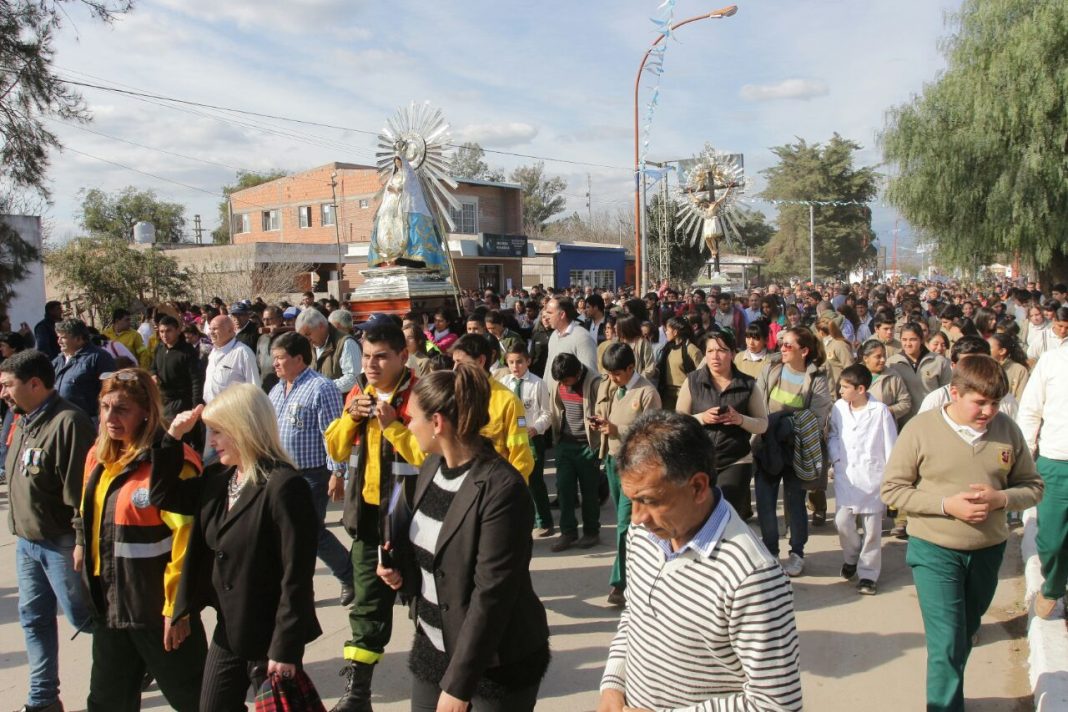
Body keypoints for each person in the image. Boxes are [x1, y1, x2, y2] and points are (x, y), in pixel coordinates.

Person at [598, 410, 802, 712]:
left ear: (697, 487)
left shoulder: (752, 577)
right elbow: (635, 614)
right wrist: (613, 687)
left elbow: (776, 704)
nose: (637, 518)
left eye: (650, 501)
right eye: (633, 501)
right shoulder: (643, 535)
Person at [376, 365, 550, 712]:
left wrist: (459, 685)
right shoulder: (430, 469)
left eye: (413, 418)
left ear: (437, 423)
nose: (408, 426)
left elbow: (493, 594)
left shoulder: (502, 489)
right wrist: (401, 572)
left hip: (493, 663)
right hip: (434, 649)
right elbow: (434, 555)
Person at [881, 355, 1043, 712]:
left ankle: (949, 690)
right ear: (954, 393)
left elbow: (1032, 486)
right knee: (947, 641)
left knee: (966, 630)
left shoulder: (1007, 431)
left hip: (987, 552)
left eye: (995, 403)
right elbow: (892, 490)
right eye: (980, 402)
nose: (988, 411)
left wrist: (1001, 498)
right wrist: (945, 505)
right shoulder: (921, 430)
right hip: (934, 550)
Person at [155, 384, 322, 710]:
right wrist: (172, 438)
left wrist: (285, 649)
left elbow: (297, 576)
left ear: (243, 429)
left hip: (269, 636)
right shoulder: (219, 478)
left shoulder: (284, 486)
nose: (211, 441)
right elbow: (164, 495)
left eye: (218, 432)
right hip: (229, 629)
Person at [76, 369, 207, 711]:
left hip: (157, 614)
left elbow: (188, 542)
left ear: (146, 411)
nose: (109, 417)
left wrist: (177, 610)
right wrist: (80, 544)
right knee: (106, 701)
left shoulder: (172, 463)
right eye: (104, 407)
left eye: (121, 409)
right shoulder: (100, 456)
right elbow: (86, 512)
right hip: (111, 609)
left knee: (197, 701)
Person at [323, 323, 422, 711]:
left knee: (425, 603)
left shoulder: (421, 393)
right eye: (366, 356)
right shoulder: (359, 391)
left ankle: (444, 684)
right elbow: (334, 442)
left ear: (403, 356)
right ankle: (358, 693)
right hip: (368, 519)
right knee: (366, 605)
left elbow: (426, 454)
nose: (372, 364)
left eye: (381, 356)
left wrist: (392, 424)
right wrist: (351, 417)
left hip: (413, 520)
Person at [1, 350, 96, 712]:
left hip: (61, 543)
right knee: (34, 619)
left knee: (84, 617)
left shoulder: (69, 422)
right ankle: (42, 699)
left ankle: (138, 660)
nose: (3, 393)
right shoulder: (22, 420)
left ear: (35, 384)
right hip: (27, 543)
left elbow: (82, 491)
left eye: (8, 385)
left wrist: (80, 541)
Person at [268, 332, 355, 606]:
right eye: (274, 359)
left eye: (280, 358)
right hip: (282, 474)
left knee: (310, 532)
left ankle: (349, 576)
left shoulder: (321, 387)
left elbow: (332, 434)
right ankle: (297, 589)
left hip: (313, 474)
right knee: (286, 534)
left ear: (299, 359)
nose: (276, 365)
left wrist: (337, 473)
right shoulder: (276, 389)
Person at [753, 326, 832, 577]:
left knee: (795, 501)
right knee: (765, 502)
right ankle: (771, 552)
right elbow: (757, 403)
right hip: (767, 445)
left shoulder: (817, 378)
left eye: (788, 345)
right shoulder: (771, 368)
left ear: (805, 351)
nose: (783, 349)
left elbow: (817, 416)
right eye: (782, 344)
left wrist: (786, 422)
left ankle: (797, 552)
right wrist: (767, 426)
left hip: (798, 448)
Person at [593, 342, 662, 606]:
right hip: (611, 459)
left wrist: (617, 429)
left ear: (631, 368)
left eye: (617, 374)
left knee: (624, 523)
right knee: (630, 524)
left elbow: (652, 433)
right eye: (610, 374)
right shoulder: (610, 386)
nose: (612, 379)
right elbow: (604, 411)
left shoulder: (646, 392)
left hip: (635, 466)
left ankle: (620, 583)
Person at [676, 330, 768, 520]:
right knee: (698, 518)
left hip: (735, 459)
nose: (715, 356)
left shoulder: (747, 384)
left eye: (721, 350)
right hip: (698, 460)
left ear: (733, 353)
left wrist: (740, 419)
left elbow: (762, 424)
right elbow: (678, 420)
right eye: (710, 351)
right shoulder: (693, 381)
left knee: (725, 518)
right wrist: (702, 418)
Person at [828, 364, 897, 597]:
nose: (840, 391)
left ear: (860, 389)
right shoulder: (839, 408)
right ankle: (851, 556)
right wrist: (835, 457)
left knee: (872, 531)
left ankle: (868, 575)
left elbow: (891, 445)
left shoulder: (880, 412)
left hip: (873, 478)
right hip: (847, 476)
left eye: (845, 387)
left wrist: (892, 478)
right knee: (842, 522)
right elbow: (834, 434)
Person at [1017, 335, 1068, 619]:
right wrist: (1026, 456)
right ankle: (1055, 584)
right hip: (1056, 461)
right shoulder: (1052, 361)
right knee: (1052, 540)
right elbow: (1030, 411)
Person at [548, 353, 603, 554]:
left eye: (566, 380)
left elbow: (603, 413)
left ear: (578, 372)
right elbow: (556, 409)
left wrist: (598, 447)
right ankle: (568, 532)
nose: (563, 383)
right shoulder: (559, 383)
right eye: (560, 381)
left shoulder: (595, 383)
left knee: (589, 492)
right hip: (565, 444)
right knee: (564, 489)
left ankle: (591, 531)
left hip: (587, 446)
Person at [497, 342, 553, 537]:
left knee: (535, 481)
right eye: (511, 362)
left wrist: (535, 428)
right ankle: (523, 520)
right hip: (511, 439)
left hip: (532, 438)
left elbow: (547, 414)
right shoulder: (504, 383)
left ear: (528, 361)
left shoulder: (537, 383)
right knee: (515, 482)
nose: (515, 367)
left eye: (519, 362)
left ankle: (544, 521)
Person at [368, 155, 450, 269]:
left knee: (411, 225)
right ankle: (389, 253)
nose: (397, 164)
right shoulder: (394, 175)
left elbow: (410, 189)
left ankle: (412, 254)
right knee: (384, 222)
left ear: (403, 162)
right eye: (396, 162)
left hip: (407, 203)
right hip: (392, 203)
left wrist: (397, 190)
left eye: (399, 162)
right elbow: (388, 191)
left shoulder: (409, 174)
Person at [151, 314, 205, 452]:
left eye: (168, 331)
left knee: (178, 437)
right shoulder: (160, 348)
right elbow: (153, 367)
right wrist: (153, 375)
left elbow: (196, 380)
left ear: (177, 330)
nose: (164, 335)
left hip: (181, 401)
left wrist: (196, 405)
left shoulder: (187, 352)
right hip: (163, 400)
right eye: (161, 331)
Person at [886, 322, 952, 425]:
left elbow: (948, 393)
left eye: (913, 339)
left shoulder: (939, 362)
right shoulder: (892, 363)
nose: (908, 344)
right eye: (904, 340)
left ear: (921, 340)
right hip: (904, 422)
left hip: (933, 419)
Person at [53, 318, 117, 417]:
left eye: (63, 337)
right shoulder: (58, 361)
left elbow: (112, 390)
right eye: (58, 337)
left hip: (89, 421)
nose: (58, 341)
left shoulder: (99, 357)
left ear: (79, 339)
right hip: (62, 420)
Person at [296, 307, 362, 394]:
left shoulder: (346, 343)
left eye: (308, 334)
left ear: (321, 326)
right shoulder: (310, 345)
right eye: (303, 336)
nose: (307, 339)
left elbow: (353, 379)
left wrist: (322, 387)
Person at [543, 296, 599, 398]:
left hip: (573, 404)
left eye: (550, 313)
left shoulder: (582, 337)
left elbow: (591, 375)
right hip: (552, 401)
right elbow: (548, 367)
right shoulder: (554, 335)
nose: (546, 317)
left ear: (562, 314)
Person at [203, 314, 260, 405]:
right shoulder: (213, 352)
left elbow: (254, 387)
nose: (211, 333)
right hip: (211, 411)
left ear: (230, 330)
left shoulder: (243, 352)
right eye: (210, 329)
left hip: (234, 413)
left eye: (215, 329)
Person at [858, 340, 912, 427]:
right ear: (865, 358)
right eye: (878, 357)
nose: (883, 360)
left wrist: (887, 410)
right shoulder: (855, 374)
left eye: (884, 356)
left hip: (884, 427)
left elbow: (906, 403)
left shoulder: (893, 376)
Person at [653, 316, 702, 411]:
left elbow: (701, 373)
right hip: (667, 394)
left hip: (685, 393)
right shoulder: (667, 348)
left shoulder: (691, 349)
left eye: (667, 330)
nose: (665, 332)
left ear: (675, 332)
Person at [816, 316, 854, 395]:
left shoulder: (840, 345)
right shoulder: (822, 345)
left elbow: (849, 367)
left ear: (821, 332)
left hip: (839, 389)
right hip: (827, 388)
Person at [988, 332, 1030, 401]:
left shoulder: (1019, 370)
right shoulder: (983, 367)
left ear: (1002, 351)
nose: (985, 350)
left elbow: (1020, 399)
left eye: (989, 347)